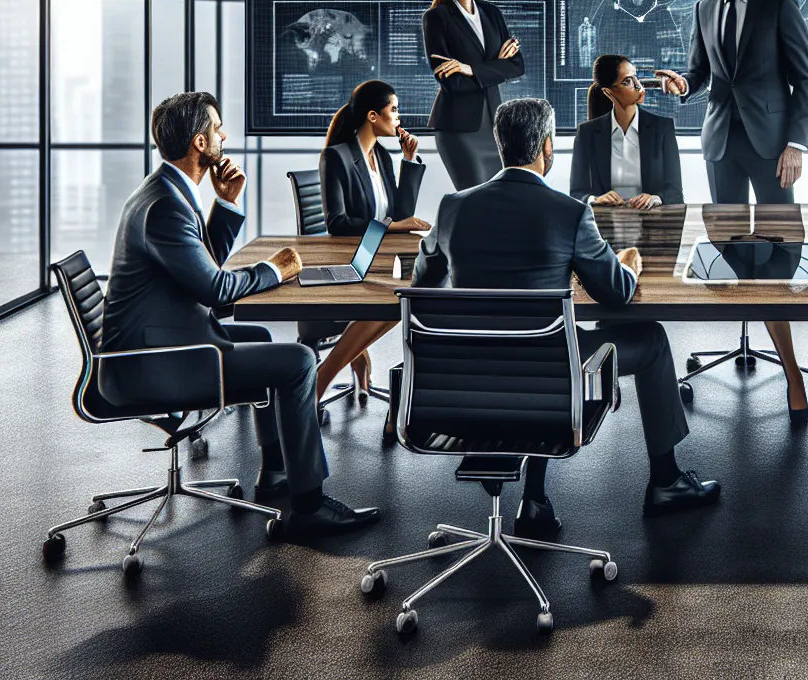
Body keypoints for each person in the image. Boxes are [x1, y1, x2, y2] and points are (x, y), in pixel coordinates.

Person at [412, 98, 720, 535]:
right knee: (649, 340)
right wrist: (628, 264)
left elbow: (421, 288)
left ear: (501, 146)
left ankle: (535, 501)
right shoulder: (570, 213)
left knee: (538, 346)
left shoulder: (451, 208)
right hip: (547, 379)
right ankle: (666, 482)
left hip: (468, 383)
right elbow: (614, 295)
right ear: (547, 148)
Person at [101, 92, 378, 535]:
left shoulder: (166, 191)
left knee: (263, 340)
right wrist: (276, 269)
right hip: (154, 366)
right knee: (301, 361)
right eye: (217, 128)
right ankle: (308, 505)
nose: (223, 135)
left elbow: (200, 266)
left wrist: (226, 203)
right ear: (199, 143)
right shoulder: (165, 207)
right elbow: (215, 289)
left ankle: (276, 471)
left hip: (165, 342)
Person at [654, 0, 808, 420]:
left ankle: (791, 372)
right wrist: (684, 85)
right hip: (721, 140)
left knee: (779, 252)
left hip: (772, 147)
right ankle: (746, 339)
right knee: (726, 248)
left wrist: (795, 144)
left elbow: (804, 78)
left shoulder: (778, 2)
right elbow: (702, 72)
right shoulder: (705, 8)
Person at [309, 81, 431, 429]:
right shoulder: (337, 157)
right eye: (393, 109)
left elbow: (400, 213)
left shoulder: (382, 156)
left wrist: (409, 161)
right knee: (395, 302)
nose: (399, 117)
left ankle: (335, 371)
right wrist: (390, 228)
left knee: (401, 300)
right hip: (345, 261)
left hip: (373, 259)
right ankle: (320, 380)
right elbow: (337, 223)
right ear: (372, 115)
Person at [424, 0, 525, 191]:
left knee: (496, 201)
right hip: (458, 129)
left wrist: (471, 68)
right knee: (473, 200)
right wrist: (494, 66)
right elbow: (452, 84)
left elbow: (516, 66)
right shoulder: (437, 18)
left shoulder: (492, 13)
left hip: (494, 127)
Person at [570, 54, 684, 208]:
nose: (639, 86)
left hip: (651, 220)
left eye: (636, 78)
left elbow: (675, 192)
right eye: (628, 81)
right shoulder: (587, 133)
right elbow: (577, 193)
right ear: (609, 92)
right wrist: (594, 199)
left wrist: (655, 198)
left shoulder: (662, 128)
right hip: (605, 220)